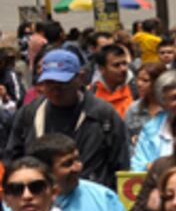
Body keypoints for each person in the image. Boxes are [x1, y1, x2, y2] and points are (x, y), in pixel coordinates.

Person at [5, 50, 129, 189]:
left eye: (62, 83)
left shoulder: (103, 114)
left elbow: (121, 163)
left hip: (92, 193)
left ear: (80, 78)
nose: (56, 90)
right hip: (42, 195)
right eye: (49, 83)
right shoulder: (29, 113)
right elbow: (13, 159)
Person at [123, 61, 166, 150]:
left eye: (145, 81)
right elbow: (126, 140)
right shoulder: (133, 109)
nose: (139, 84)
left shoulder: (171, 108)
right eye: (138, 79)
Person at [90, 44, 134, 120]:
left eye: (124, 63)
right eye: (116, 65)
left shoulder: (137, 89)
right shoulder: (91, 94)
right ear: (102, 69)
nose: (123, 69)